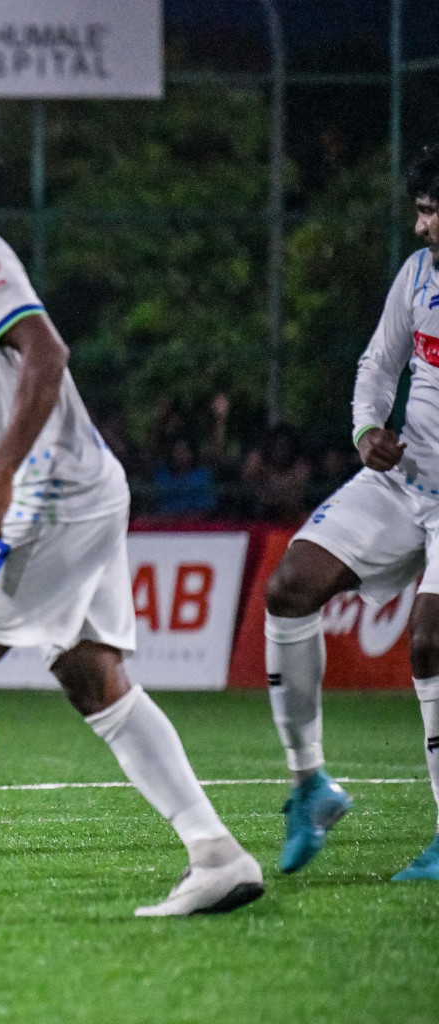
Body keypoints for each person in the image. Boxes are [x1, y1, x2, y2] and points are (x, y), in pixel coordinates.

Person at [0, 106, 261, 922]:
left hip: (51, 493)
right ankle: (216, 854)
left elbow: (46, 352)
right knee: (91, 675)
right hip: (71, 488)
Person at [258, 143, 439, 882]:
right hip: (406, 481)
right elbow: (379, 364)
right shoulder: (419, 275)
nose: (424, 226)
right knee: (288, 587)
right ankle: (311, 788)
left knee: (429, 641)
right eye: (421, 211)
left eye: (433, 210)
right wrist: (368, 428)